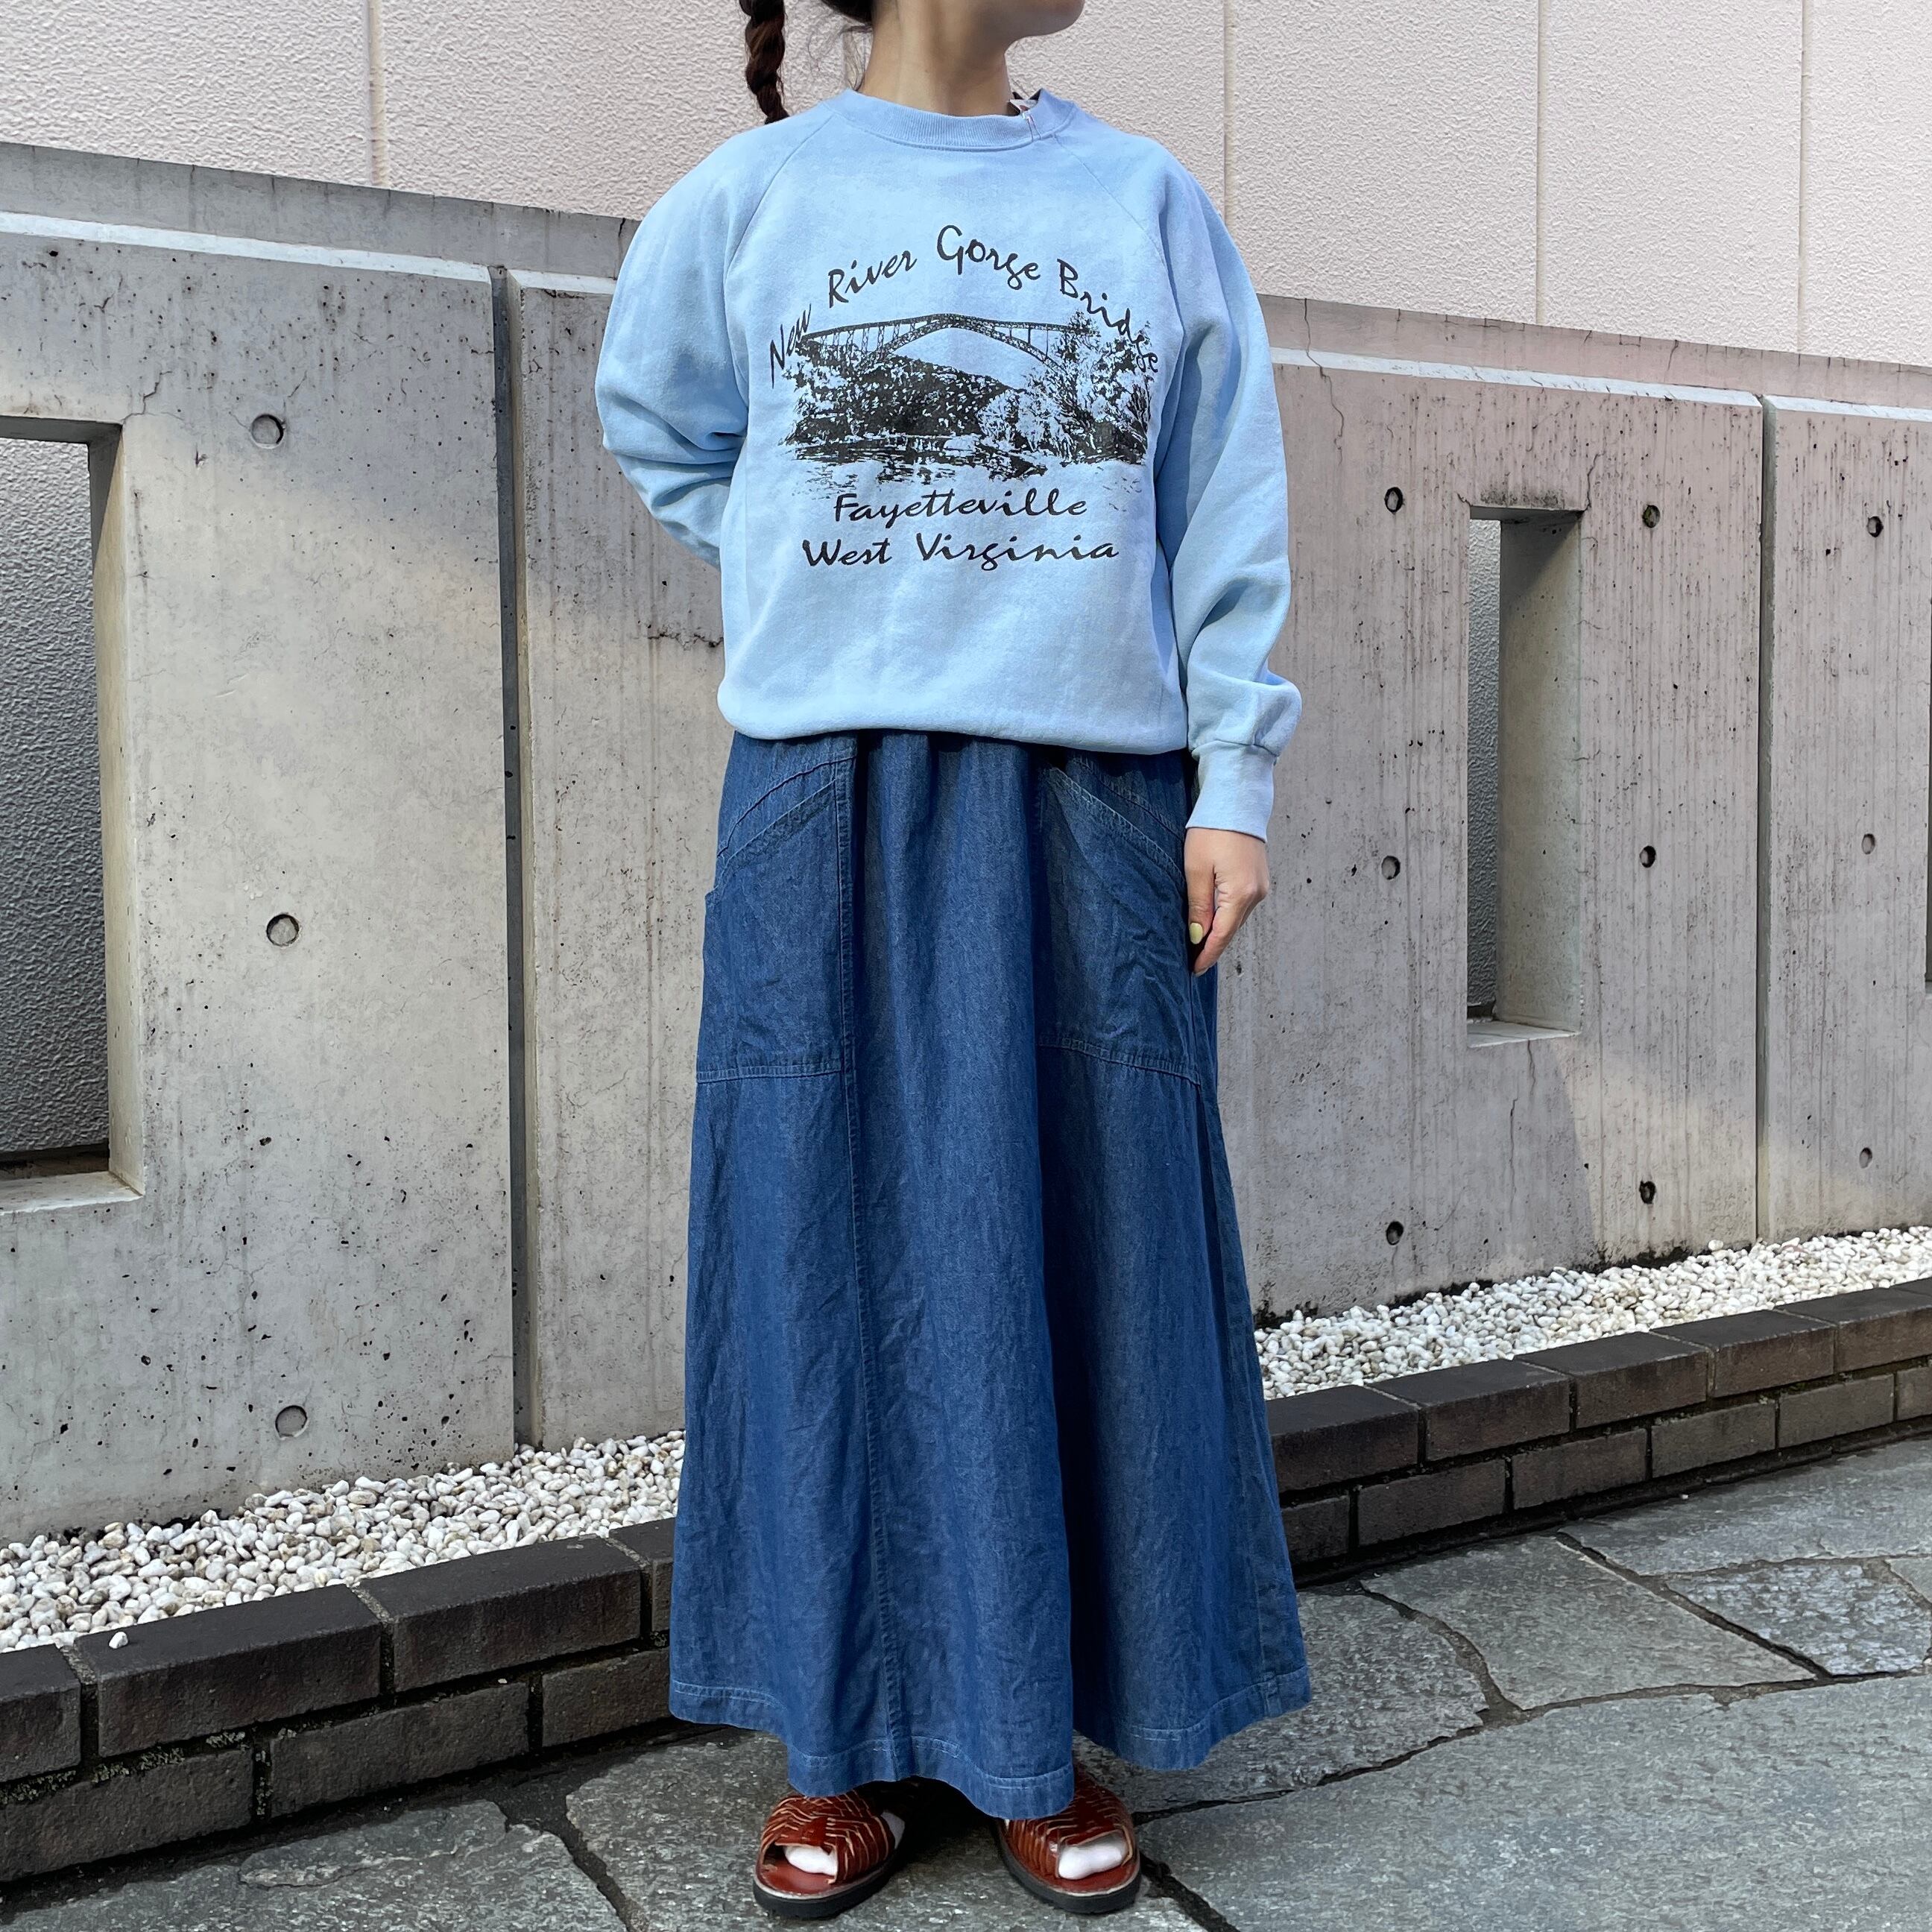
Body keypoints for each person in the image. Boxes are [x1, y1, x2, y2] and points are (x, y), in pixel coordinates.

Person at [594, 0, 1312, 1915]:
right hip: (822, 786)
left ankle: (1034, 1730)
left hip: (1091, 793)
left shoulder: (1142, 203)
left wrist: (1234, 781)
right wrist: (809, 563)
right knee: (814, 1242)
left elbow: (1223, 495)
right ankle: (832, 1741)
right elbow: (660, 423)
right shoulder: (751, 199)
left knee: (1086, 1237)